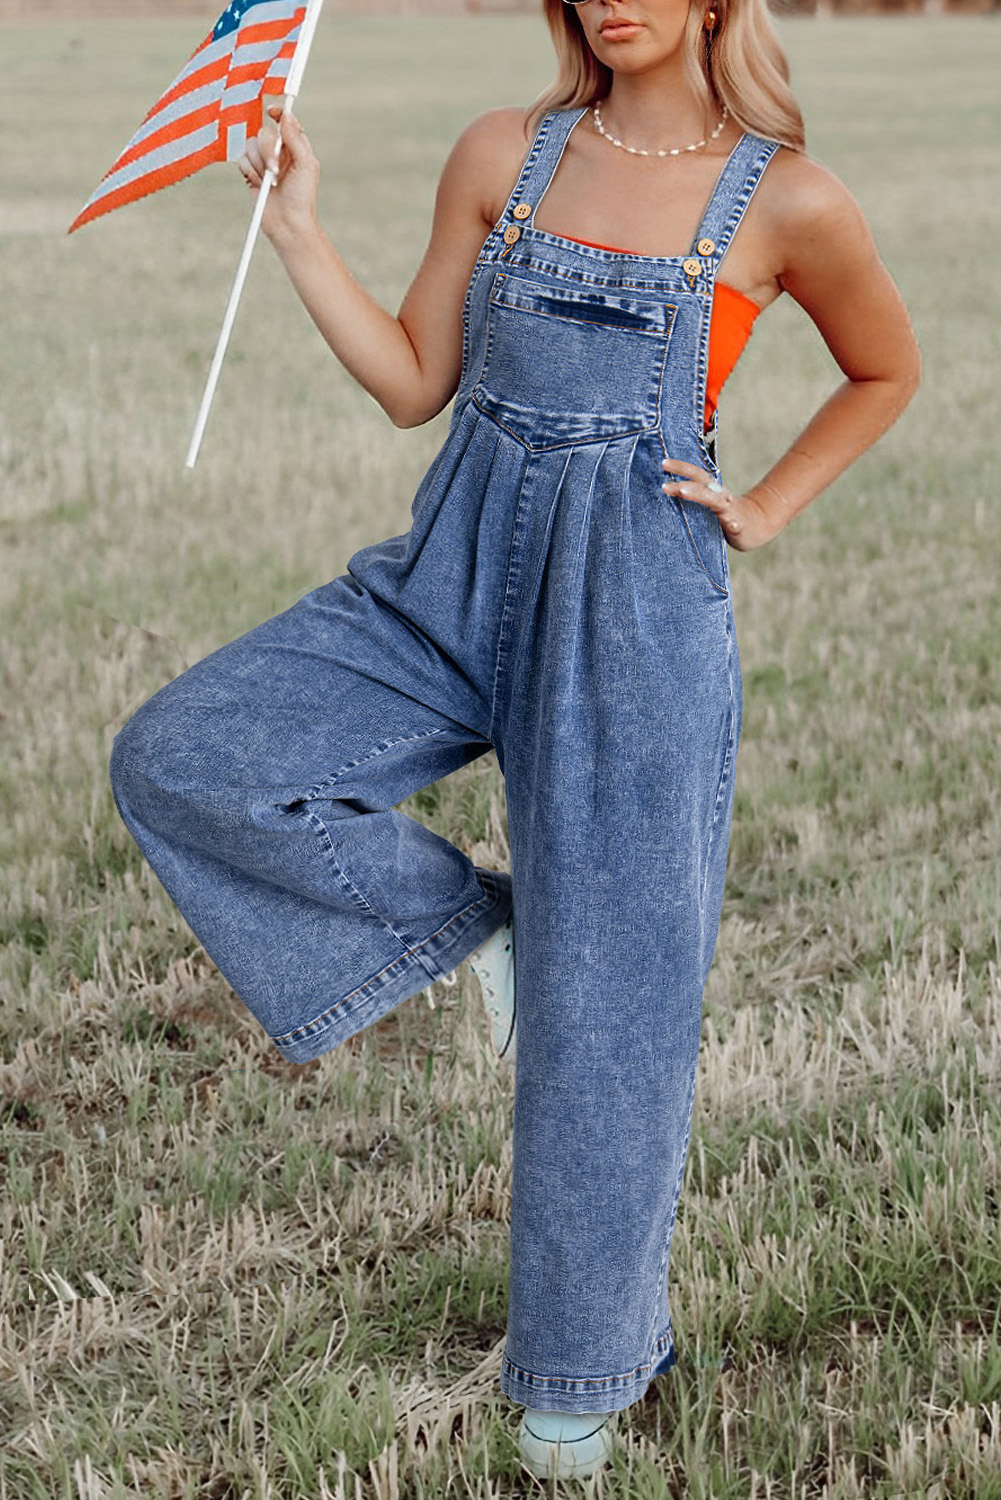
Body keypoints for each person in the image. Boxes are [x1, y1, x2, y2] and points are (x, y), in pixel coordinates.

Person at [109, 0, 920, 1480]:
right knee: (187, 752)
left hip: (632, 615)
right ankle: (473, 935)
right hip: (449, 579)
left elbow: (885, 370)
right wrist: (295, 228)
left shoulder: (788, 198)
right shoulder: (504, 151)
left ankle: (580, 1372)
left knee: (610, 1008)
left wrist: (767, 505)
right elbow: (417, 380)